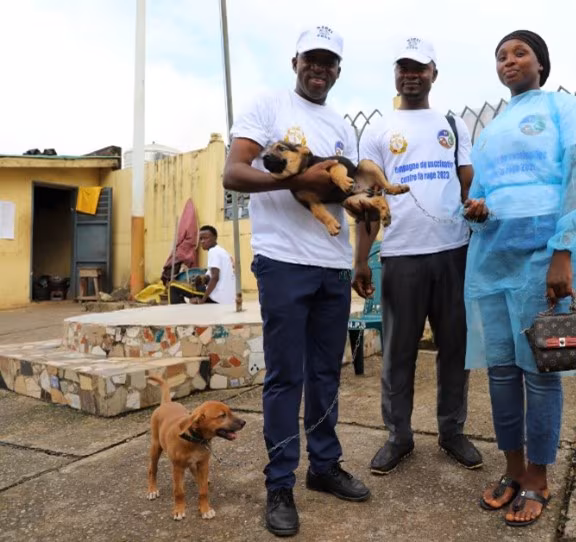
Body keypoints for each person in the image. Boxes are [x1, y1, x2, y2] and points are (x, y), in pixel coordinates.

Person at [222, 25, 370, 538]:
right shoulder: (267, 105)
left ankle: (324, 467)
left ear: (337, 70)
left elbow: (347, 194)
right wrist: (292, 180)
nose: (319, 69)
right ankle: (279, 481)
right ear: (296, 61)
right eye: (312, 59)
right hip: (283, 261)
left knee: (326, 373)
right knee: (287, 376)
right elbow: (234, 173)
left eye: (329, 62)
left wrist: (359, 259)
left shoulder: (342, 127)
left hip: (331, 265)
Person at [461, 30, 576, 528]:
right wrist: (475, 210)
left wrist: (563, 251)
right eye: (501, 56)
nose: (509, 61)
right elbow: (479, 192)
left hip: (544, 256)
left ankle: (540, 477)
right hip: (492, 261)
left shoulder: (565, 110)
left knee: (542, 371)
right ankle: (514, 469)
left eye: (519, 53)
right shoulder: (492, 128)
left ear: (541, 63)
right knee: (501, 369)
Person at [353, 36, 482, 475]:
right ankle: (398, 436)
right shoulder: (377, 131)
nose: (412, 75)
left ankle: (452, 431)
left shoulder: (453, 123)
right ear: (395, 74)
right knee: (398, 352)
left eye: (420, 67)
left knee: (455, 348)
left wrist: (475, 207)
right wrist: (360, 259)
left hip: (453, 252)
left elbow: (467, 181)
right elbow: (369, 199)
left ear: (433, 74)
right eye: (404, 67)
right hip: (401, 255)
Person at [167, 226, 236, 305]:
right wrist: (202, 279)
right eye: (200, 239)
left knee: (173, 286)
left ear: (215, 238)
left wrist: (203, 300)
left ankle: (176, 313)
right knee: (194, 286)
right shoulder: (223, 252)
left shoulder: (213, 252)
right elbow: (213, 276)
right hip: (228, 297)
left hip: (217, 297)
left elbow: (215, 277)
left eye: (206, 238)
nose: (202, 241)